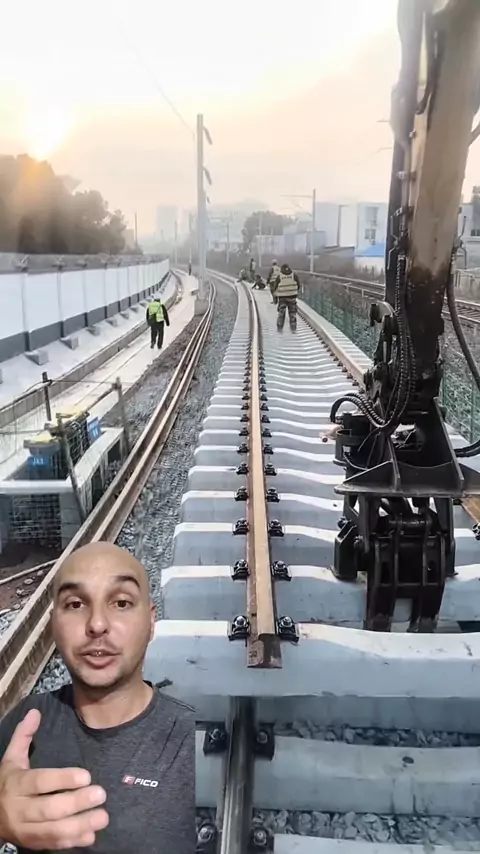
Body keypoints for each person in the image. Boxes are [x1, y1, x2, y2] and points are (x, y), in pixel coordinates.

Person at [0, 542, 195, 854]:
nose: (97, 625)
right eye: (76, 604)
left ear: (151, 622)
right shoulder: (25, 726)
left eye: (121, 603)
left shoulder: (189, 739)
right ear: (53, 625)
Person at [272, 263, 301, 331]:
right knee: (292, 313)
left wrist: (275, 299)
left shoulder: (279, 276)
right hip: (292, 297)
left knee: (281, 313)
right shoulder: (294, 275)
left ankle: (280, 328)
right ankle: (293, 328)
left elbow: (275, 288)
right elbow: (299, 285)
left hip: (282, 298)